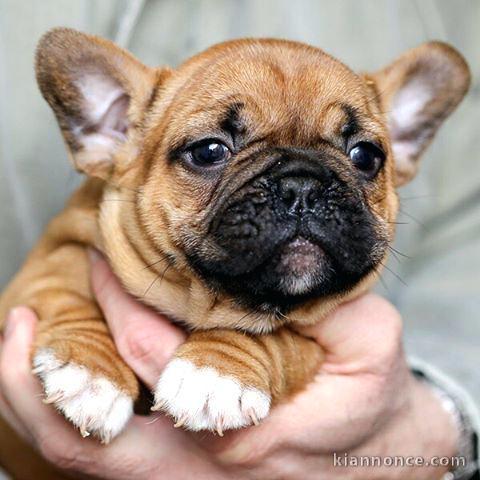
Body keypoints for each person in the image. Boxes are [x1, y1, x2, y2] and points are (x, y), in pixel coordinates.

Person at [1, 1, 479, 478]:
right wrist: (81, 335)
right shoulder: (89, 232)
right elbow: (43, 288)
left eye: (362, 157)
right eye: (210, 152)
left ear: (404, 145)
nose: (300, 196)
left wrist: (437, 423)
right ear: (113, 130)